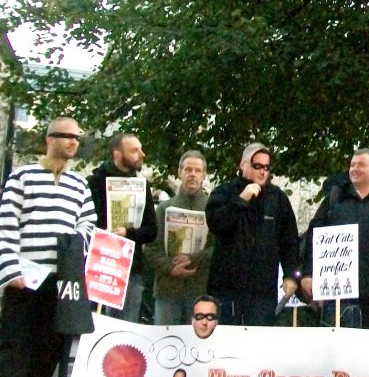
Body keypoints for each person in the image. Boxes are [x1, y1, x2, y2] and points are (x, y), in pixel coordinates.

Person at [0, 117, 96, 377]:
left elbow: (88, 225)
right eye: (66, 136)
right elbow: (7, 225)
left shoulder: (78, 184)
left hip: (60, 280)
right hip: (25, 278)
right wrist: (10, 271)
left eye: (76, 138)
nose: (72, 142)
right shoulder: (22, 177)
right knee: (14, 349)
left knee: (47, 351)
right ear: (49, 138)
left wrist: (73, 247)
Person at [301, 148, 369, 329]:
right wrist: (307, 274)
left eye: (360, 165)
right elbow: (314, 236)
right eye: (352, 165)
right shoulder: (335, 200)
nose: (354, 169)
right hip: (337, 294)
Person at [206, 143, 300, 326]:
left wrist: (290, 274)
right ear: (243, 165)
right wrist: (241, 200)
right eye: (257, 166)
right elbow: (216, 223)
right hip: (227, 289)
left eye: (267, 167)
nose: (263, 172)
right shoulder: (224, 192)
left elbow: (289, 240)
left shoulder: (277, 198)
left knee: (258, 345)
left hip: (263, 291)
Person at [88, 133, 157, 323]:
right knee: (92, 323)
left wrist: (128, 233)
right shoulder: (94, 183)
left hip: (130, 269)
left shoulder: (143, 186)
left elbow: (152, 230)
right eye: (134, 150)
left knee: (125, 327)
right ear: (117, 155)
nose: (141, 154)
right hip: (99, 266)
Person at [144, 150, 213, 325]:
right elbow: (151, 248)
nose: (192, 174)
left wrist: (193, 258)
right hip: (167, 290)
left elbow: (218, 248)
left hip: (200, 290)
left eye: (197, 171)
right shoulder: (163, 208)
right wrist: (170, 267)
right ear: (179, 172)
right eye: (188, 169)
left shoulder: (212, 209)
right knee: (165, 344)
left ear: (204, 175)